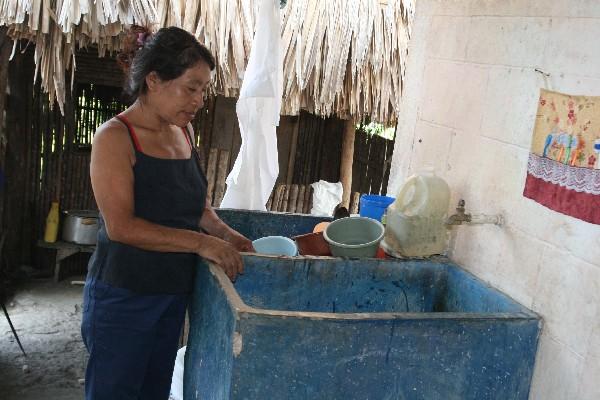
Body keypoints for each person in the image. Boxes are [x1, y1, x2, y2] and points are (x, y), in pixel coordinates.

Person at [81, 26, 254, 400]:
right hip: (124, 296)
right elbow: (122, 227)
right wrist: (201, 244)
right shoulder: (115, 137)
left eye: (204, 89)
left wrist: (227, 236)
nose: (198, 100)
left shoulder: (184, 132)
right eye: (191, 87)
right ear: (154, 80)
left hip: (171, 293)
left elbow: (196, 207)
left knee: (153, 391)